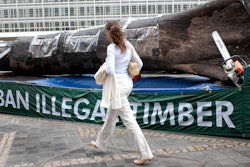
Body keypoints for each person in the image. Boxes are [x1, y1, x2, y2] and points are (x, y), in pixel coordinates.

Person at [91, 21, 153, 165]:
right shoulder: (128, 45)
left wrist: (105, 67)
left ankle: (145, 153)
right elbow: (140, 64)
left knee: (130, 121)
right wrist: (127, 71)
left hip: (117, 88)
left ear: (109, 33)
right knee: (111, 116)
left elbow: (111, 70)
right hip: (126, 84)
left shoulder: (111, 48)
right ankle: (100, 143)